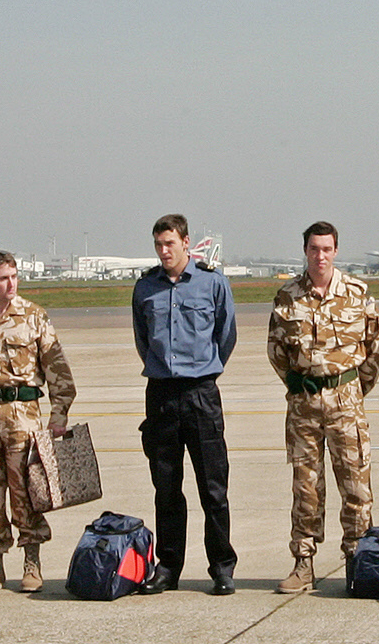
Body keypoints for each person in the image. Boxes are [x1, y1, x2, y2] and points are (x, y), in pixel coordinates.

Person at [267, 221, 379, 594]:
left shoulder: (357, 293)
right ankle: (303, 563)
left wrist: (351, 387)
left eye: (327, 249)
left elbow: (376, 347)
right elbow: (276, 351)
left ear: (336, 251)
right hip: (304, 403)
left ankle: (357, 559)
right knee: (306, 486)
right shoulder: (287, 297)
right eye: (314, 249)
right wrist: (298, 384)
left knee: (356, 484)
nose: (320, 256)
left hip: (346, 401)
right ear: (305, 251)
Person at [0, 250, 77, 593]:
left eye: (15, 276)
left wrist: (59, 414)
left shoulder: (33, 317)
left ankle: (32, 563)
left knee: (26, 491)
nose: (11, 283)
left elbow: (58, 371)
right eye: (4, 278)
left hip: (23, 416)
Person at [130, 215, 238, 594]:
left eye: (170, 244)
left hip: (201, 394)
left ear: (186, 243)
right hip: (161, 395)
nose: (164, 251)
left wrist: (202, 370)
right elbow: (143, 340)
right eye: (158, 244)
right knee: (166, 487)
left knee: (213, 488)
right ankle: (169, 567)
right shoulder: (145, 288)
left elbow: (226, 336)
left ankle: (222, 566)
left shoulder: (212, 283)